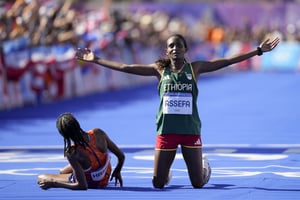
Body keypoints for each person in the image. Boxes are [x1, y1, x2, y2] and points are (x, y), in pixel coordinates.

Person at [75, 34, 280, 189]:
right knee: (158, 183)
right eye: (171, 46)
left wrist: (258, 51)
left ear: (185, 49)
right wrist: (96, 59)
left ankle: (203, 164)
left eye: (178, 45)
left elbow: (226, 61)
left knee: (198, 184)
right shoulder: (159, 70)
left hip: (190, 131)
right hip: (166, 133)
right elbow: (126, 66)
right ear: (167, 51)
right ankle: (166, 171)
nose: (175, 49)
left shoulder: (195, 68)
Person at [37, 113, 125, 190]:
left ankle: (79, 171)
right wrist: (117, 171)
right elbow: (121, 156)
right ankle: (82, 168)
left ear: (64, 134)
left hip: (93, 182)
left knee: (41, 178)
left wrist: (54, 184)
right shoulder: (98, 133)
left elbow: (82, 186)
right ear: (77, 124)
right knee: (62, 171)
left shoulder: (73, 152)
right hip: (105, 176)